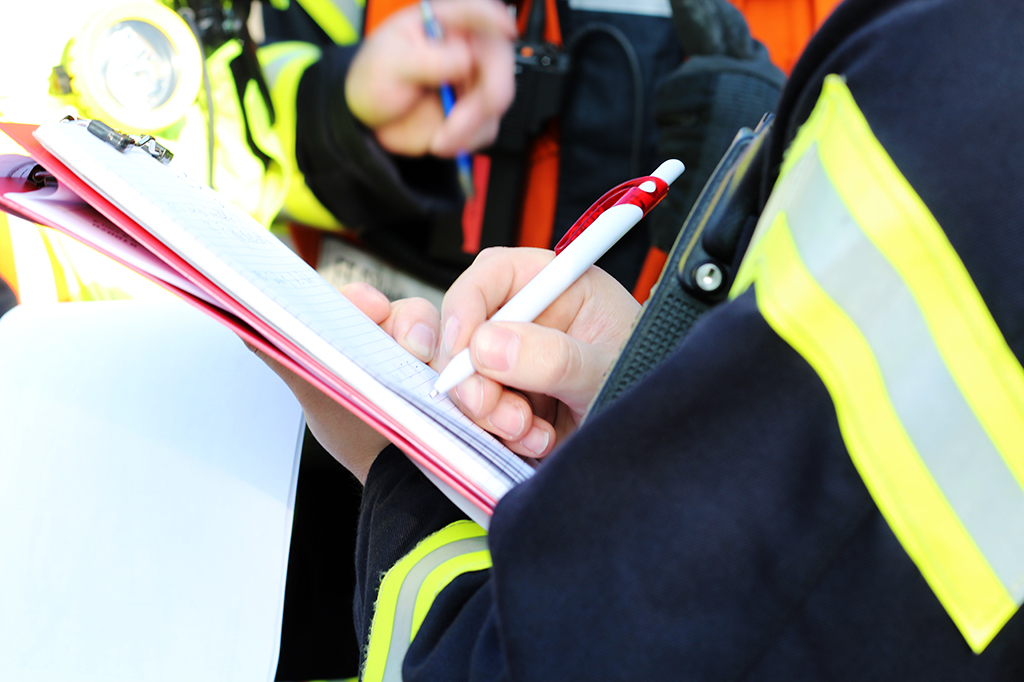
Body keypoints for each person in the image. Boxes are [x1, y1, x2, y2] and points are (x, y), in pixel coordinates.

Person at [253, 0, 1024, 678]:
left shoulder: (945, 79)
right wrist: (329, 115)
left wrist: (402, 467)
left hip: (424, 511)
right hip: (289, 505)